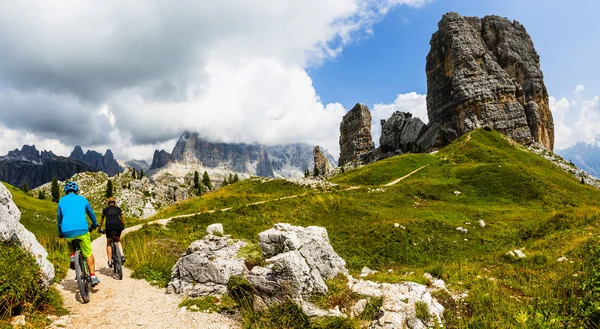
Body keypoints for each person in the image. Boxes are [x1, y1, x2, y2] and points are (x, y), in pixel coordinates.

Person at [57, 181, 100, 286]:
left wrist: (60, 232)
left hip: (67, 230)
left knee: (69, 239)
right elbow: (92, 214)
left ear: (66, 191)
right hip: (82, 229)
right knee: (88, 253)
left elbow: (59, 219)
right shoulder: (82, 199)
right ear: (76, 190)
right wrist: (94, 224)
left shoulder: (61, 201)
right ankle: (93, 276)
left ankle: (72, 256)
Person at [98, 196, 125, 267]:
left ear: (108, 203)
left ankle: (110, 261)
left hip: (109, 226)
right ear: (115, 203)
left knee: (109, 243)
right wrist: (122, 226)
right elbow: (122, 219)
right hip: (118, 225)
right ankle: (122, 255)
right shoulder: (118, 209)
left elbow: (101, 222)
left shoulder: (105, 210)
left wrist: (99, 229)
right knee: (118, 240)